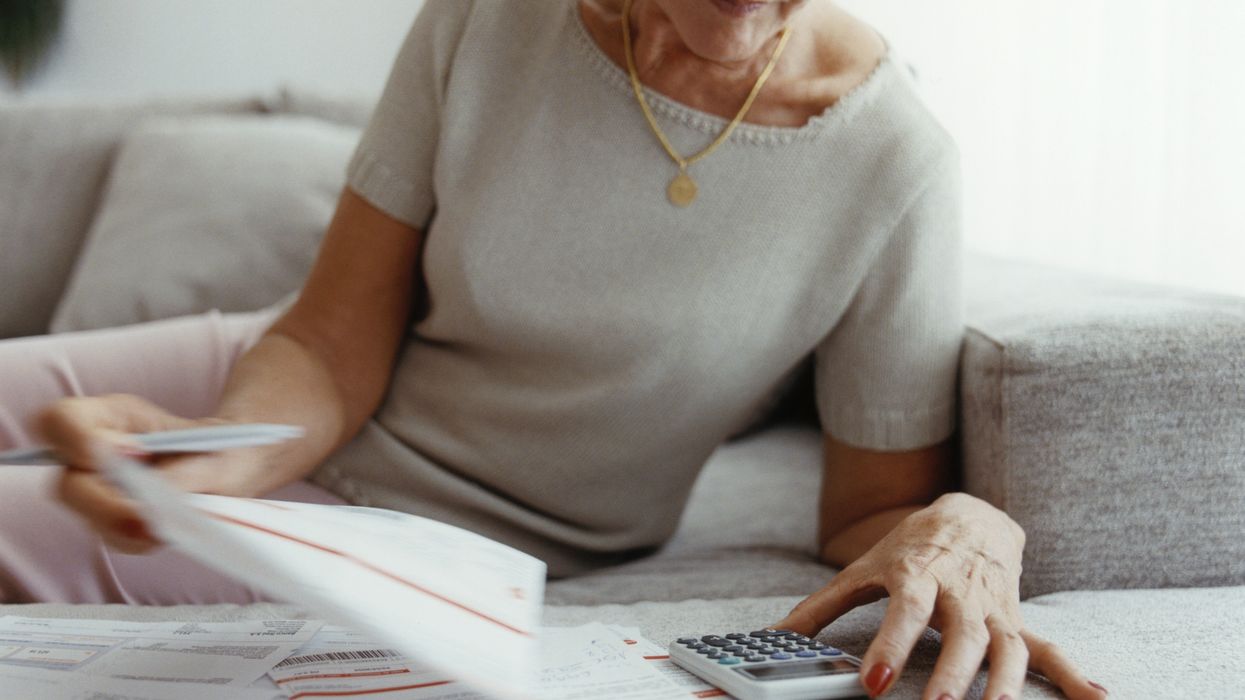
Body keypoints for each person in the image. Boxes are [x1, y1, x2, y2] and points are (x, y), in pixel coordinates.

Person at [0, 1, 1105, 698]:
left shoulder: (896, 166)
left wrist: (976, 521)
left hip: (415, 516)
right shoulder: (486, 17)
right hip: (268, 381)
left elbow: (869, 510)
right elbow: (330, 343)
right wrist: (219, 451)